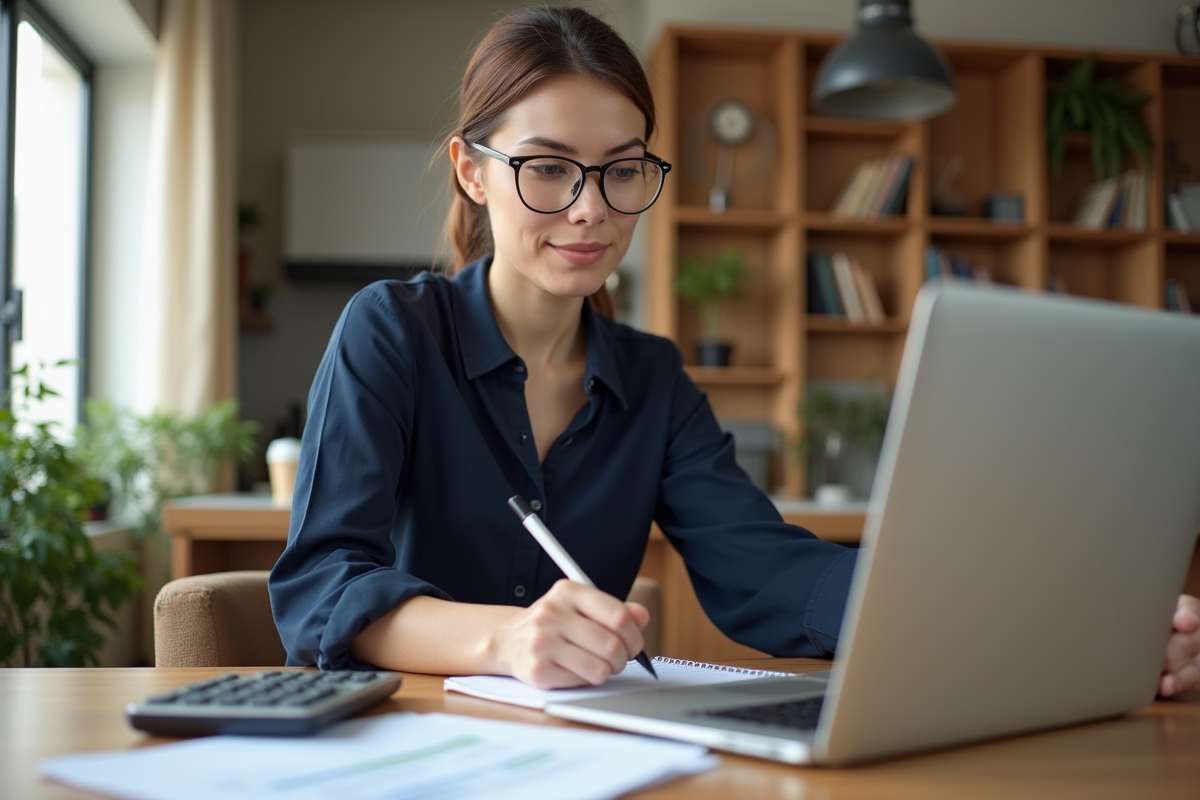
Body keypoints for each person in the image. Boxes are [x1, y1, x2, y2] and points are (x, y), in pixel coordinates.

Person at [268, 6, 1200, 697]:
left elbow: (766, 572)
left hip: (591, 752)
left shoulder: (652, 378)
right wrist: (509, 639)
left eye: (623, 169)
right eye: (548, 168)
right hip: (407, 745)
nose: (591, 207)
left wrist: (1048, 626)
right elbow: (322, 585)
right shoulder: (391, 330)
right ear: (475, 172)